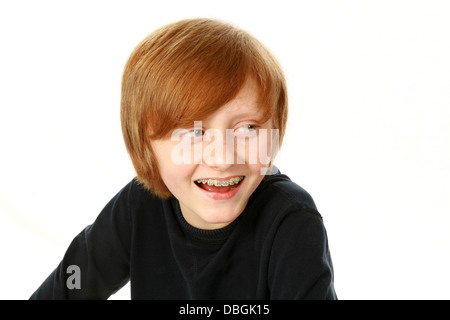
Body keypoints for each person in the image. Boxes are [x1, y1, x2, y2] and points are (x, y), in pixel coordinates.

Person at [30, 18, 337, 299]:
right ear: (145, 146)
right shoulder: (139, 205)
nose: (222, 158)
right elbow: (72, 283)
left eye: (247, 128)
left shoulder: (291, 221)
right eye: (193, 133)